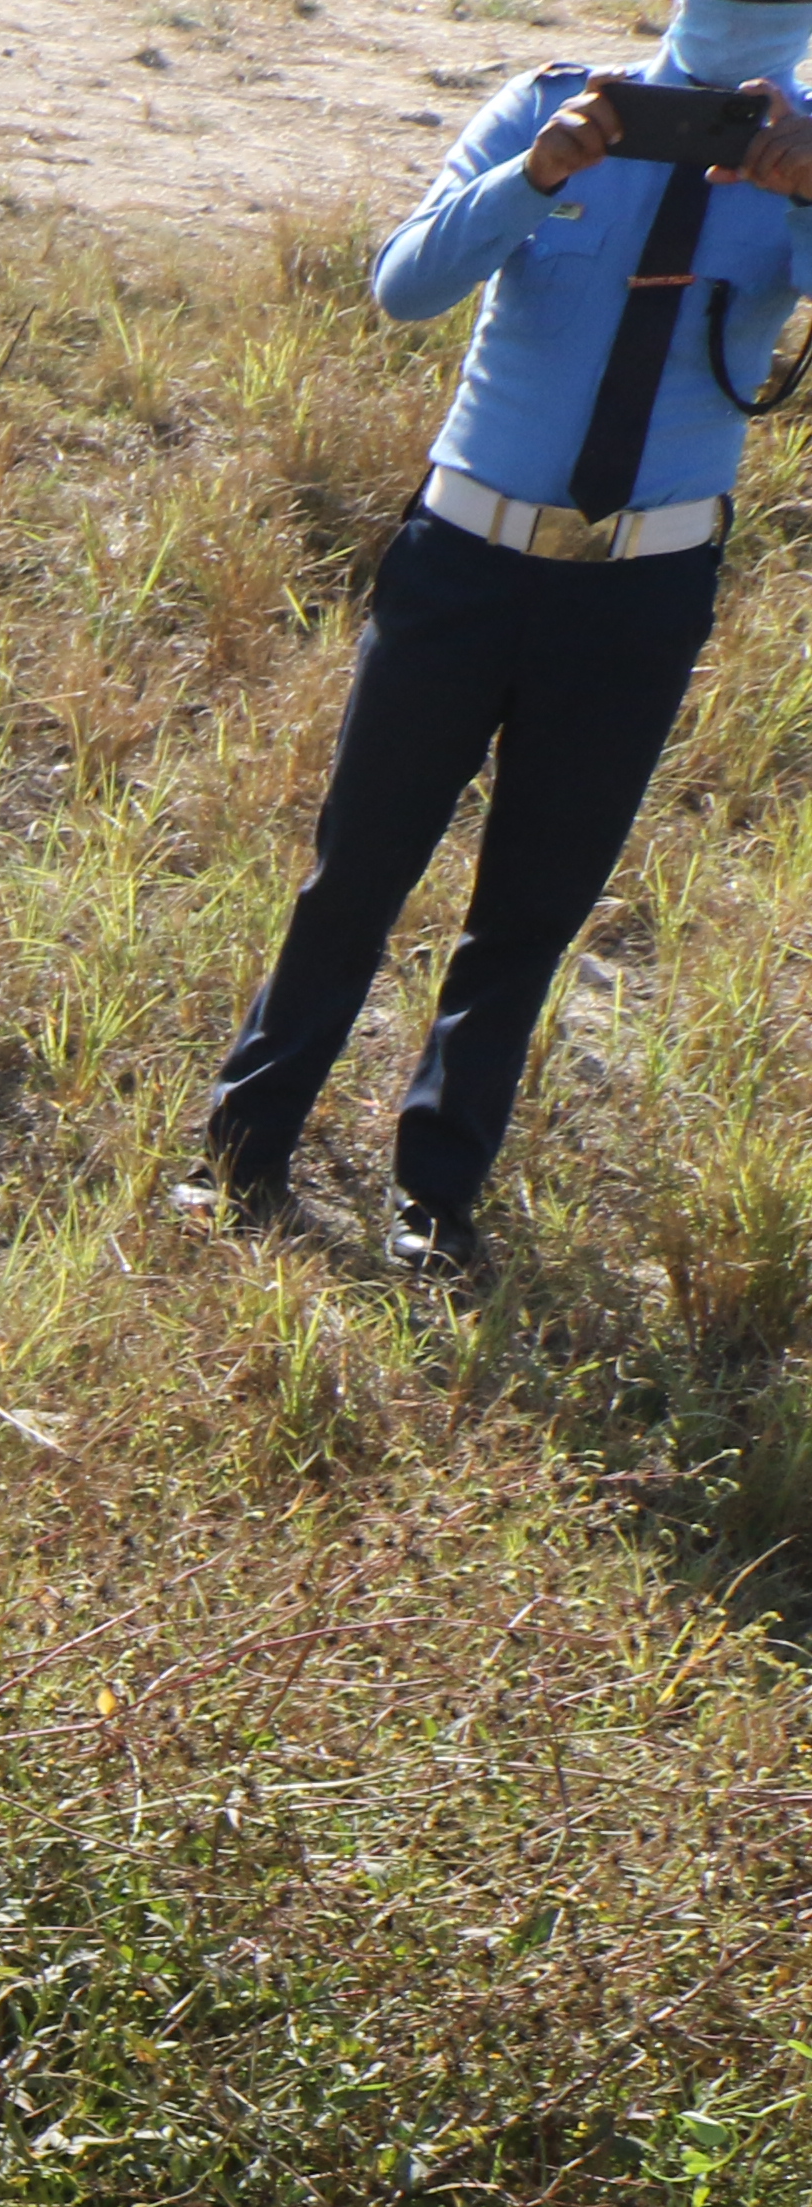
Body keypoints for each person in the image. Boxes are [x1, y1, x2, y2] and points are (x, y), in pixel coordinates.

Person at [196, 11, 812, 1295]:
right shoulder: (549, 106)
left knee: (532, 909)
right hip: (466, 562)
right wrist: (538, 173)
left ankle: (437, 1201)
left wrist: (806, 184)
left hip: (642, 589)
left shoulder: (798, 153)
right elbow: (403, 284)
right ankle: (245, 1152)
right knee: (357, 869)